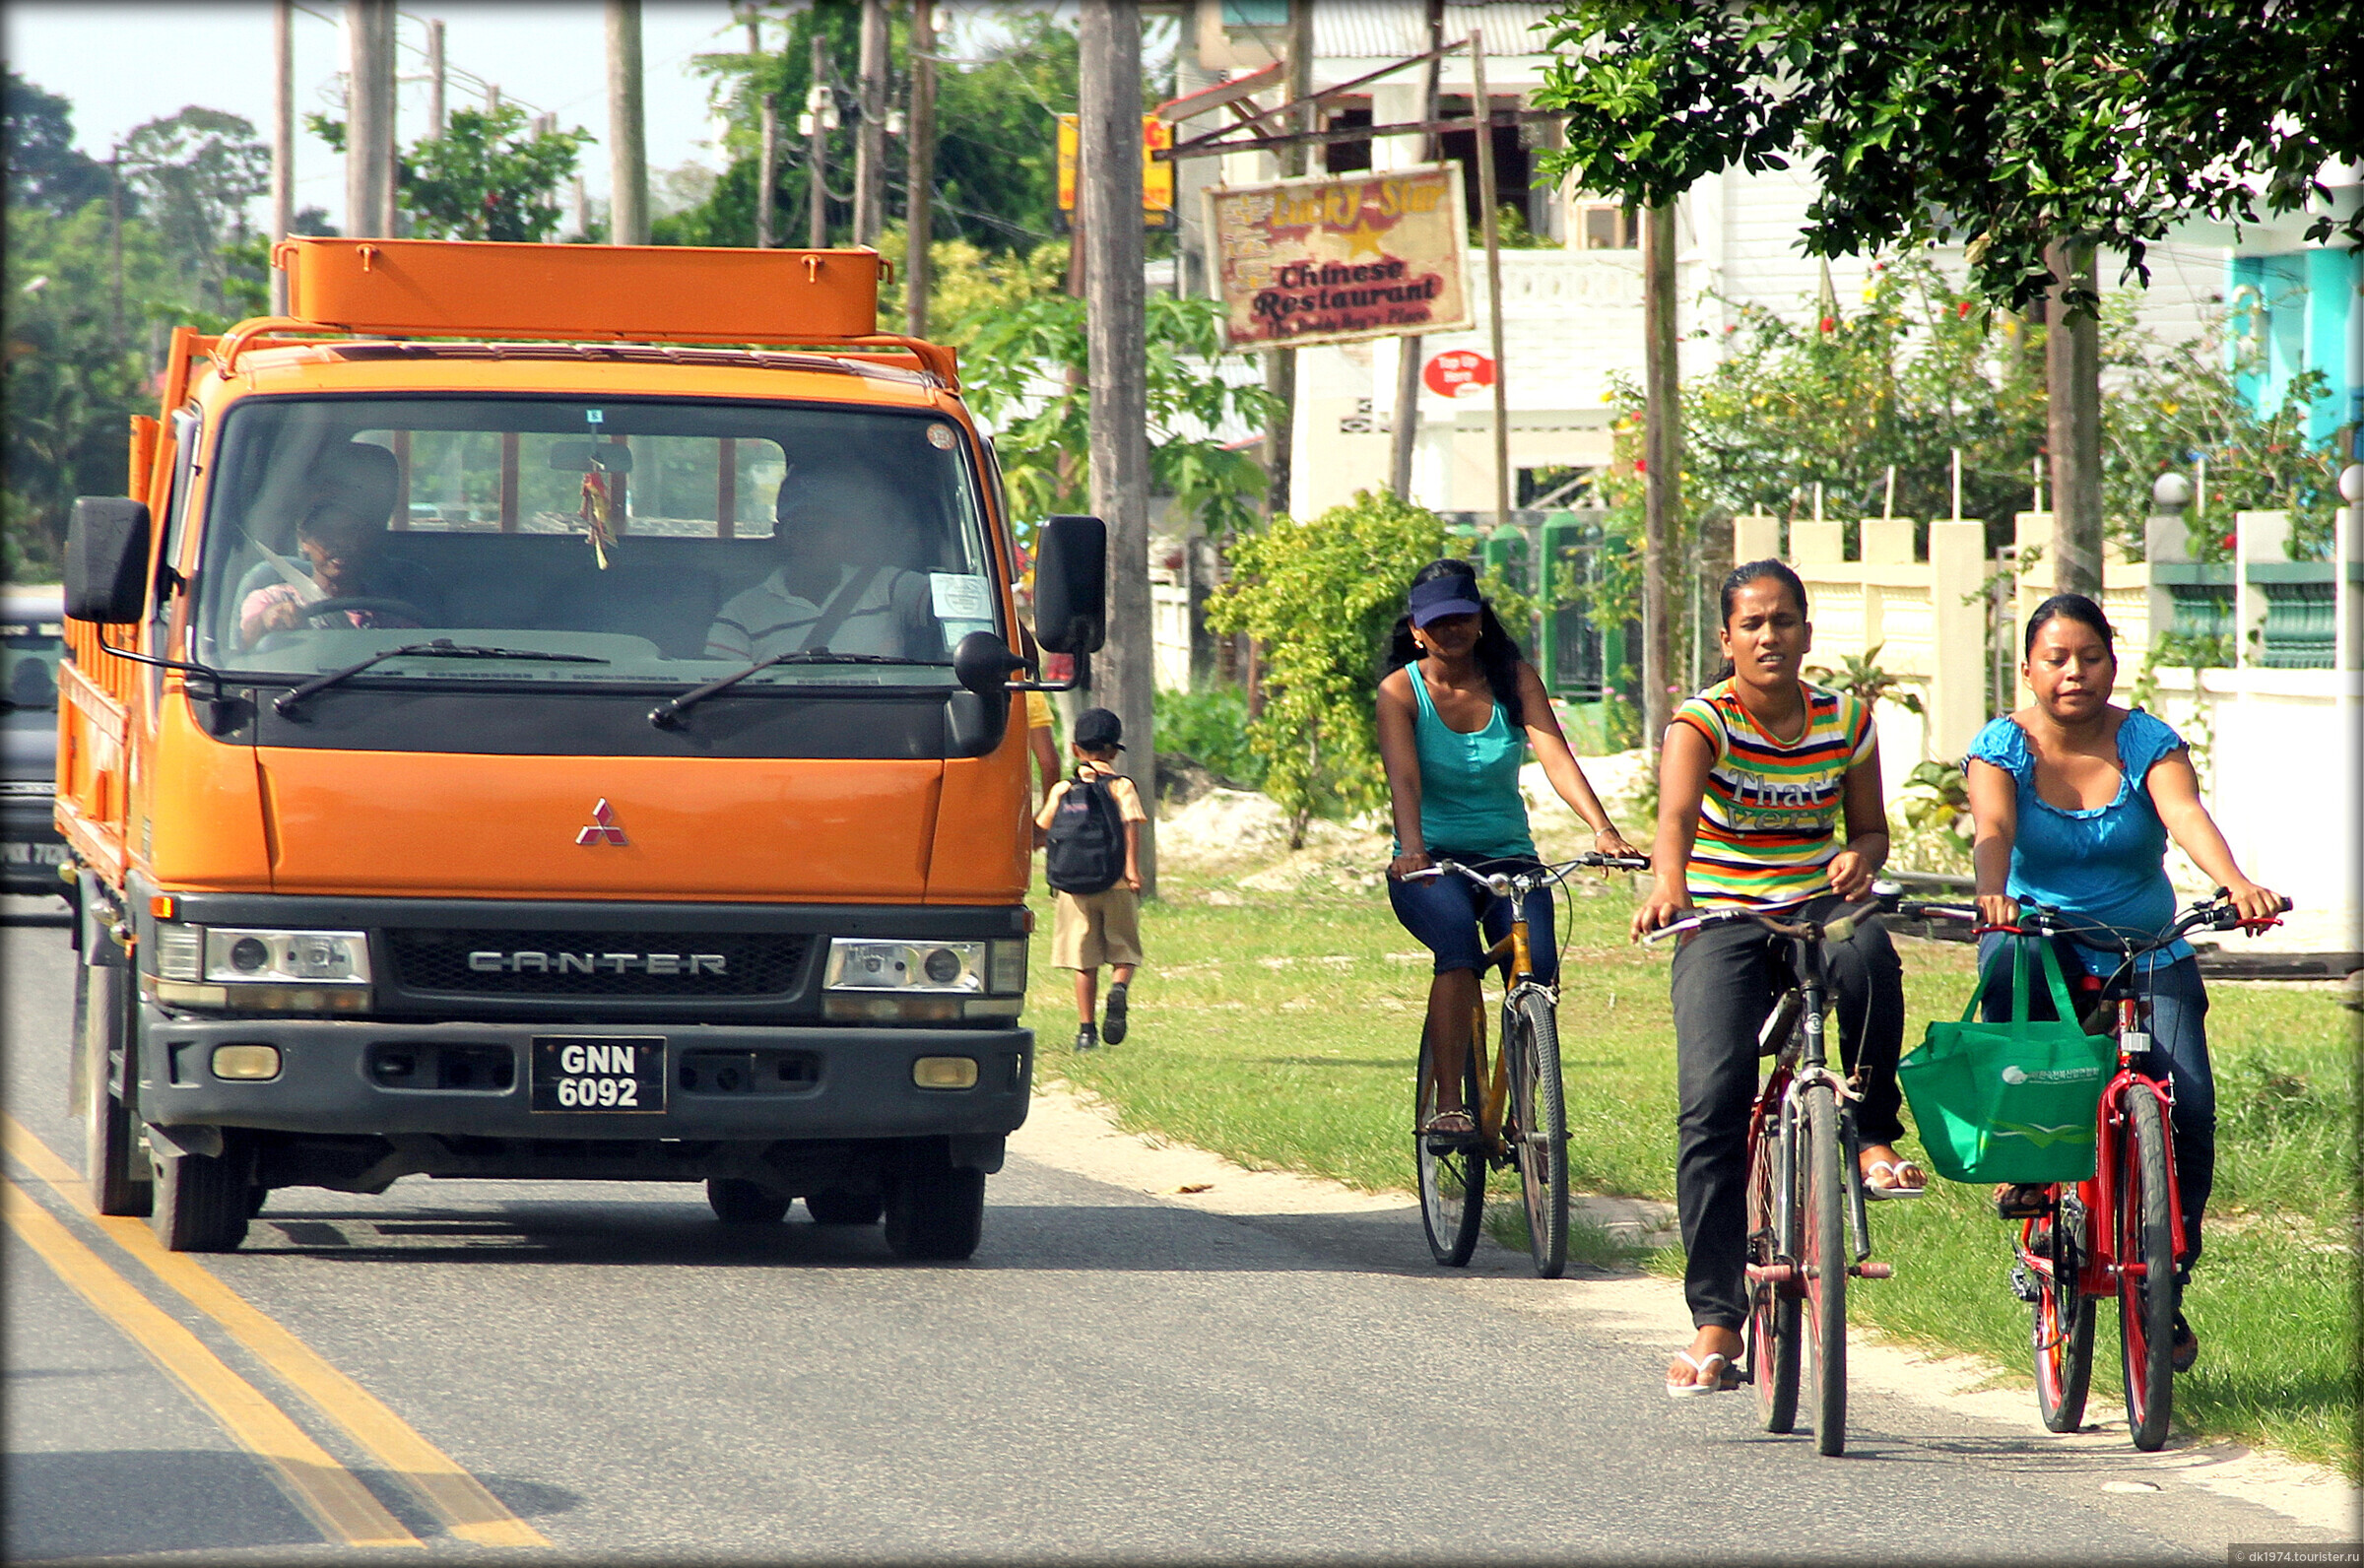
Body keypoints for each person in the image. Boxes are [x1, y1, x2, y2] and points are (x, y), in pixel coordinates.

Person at [1964, 592, 2280, 1375]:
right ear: (2029, 669)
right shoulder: (2002, 745)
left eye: (2091, 657)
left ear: (2114, 660)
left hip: (2148, 950)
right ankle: (2029, 1173)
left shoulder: (2146, 740)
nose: (2075, 672)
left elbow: (2185, 815)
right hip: (2044, 948)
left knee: (2192, 1108)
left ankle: (2165, 1283)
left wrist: (2237, 883)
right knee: (2009, 964)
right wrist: (1994, 893)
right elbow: (1993, 829)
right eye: (2056, 659)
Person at [1631, 558, 1920, 1397]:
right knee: (1712, 1104)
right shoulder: (1703, 722)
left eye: (1783, 621)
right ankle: (1718, 1320)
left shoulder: (1846, 719)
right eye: (1752, 624)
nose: (1768, 636)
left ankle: (1870, 1135)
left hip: (1816, 911)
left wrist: (1857, 864)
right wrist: (1668, 883)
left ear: (1804, 631)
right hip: (1723, 917)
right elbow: (1675, 822)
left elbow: (1869, 831)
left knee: (1871, 957)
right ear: (1726, 640)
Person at [1379, 559, 1637, 1138]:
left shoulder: (1514, 679)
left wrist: (1603, 829)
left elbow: (1556, 758)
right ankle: (1449, 1104)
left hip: (1509, 857)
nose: (1452, 630)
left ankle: (1526, 1113)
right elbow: (1405, 779)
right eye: (1438, 622)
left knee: (1536, 966)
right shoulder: (1400, 691)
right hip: (1431, 862)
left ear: (1480, 619)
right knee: (1458, 952)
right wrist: (1413, 848)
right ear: (1417, 630)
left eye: (1462, 617)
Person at [706, 458, 934, 662]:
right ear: (780, 536)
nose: (813, 538)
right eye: (801, 527)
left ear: (845, 533)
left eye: (825, 526)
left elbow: (953, 605)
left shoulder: (887, 586)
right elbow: (723, 696)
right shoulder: (741, 615)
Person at [1035, 706, 1147, 1051]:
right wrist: (1131, 869)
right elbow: (1130, 825)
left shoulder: (1062, 790)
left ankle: (1086, 1032)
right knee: (1125, 949)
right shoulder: (1122, 786)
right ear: (1114, 751)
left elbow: (1041, 830)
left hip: (1073, 887)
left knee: (1083, 962)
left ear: (1073, 749)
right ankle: (1119, 989)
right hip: (1115, 881)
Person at [238, 499, 425, 647]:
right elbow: (244, 644)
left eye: (351, 533)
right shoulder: (272, 599)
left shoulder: (389, 612)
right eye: (327, 533)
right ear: (304, 540)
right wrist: (265, 621)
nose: (341, 543)